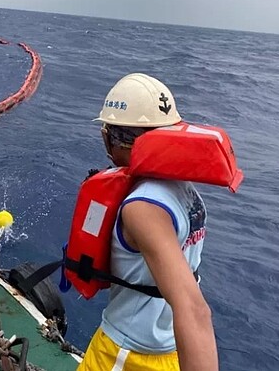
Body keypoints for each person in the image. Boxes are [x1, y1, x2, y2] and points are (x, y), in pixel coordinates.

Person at [77, 73, 218, 371]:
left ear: (111, 137)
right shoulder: (184, 189)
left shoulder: (142, 207)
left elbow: (194, 311)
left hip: (127, 354)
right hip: (170, 353)